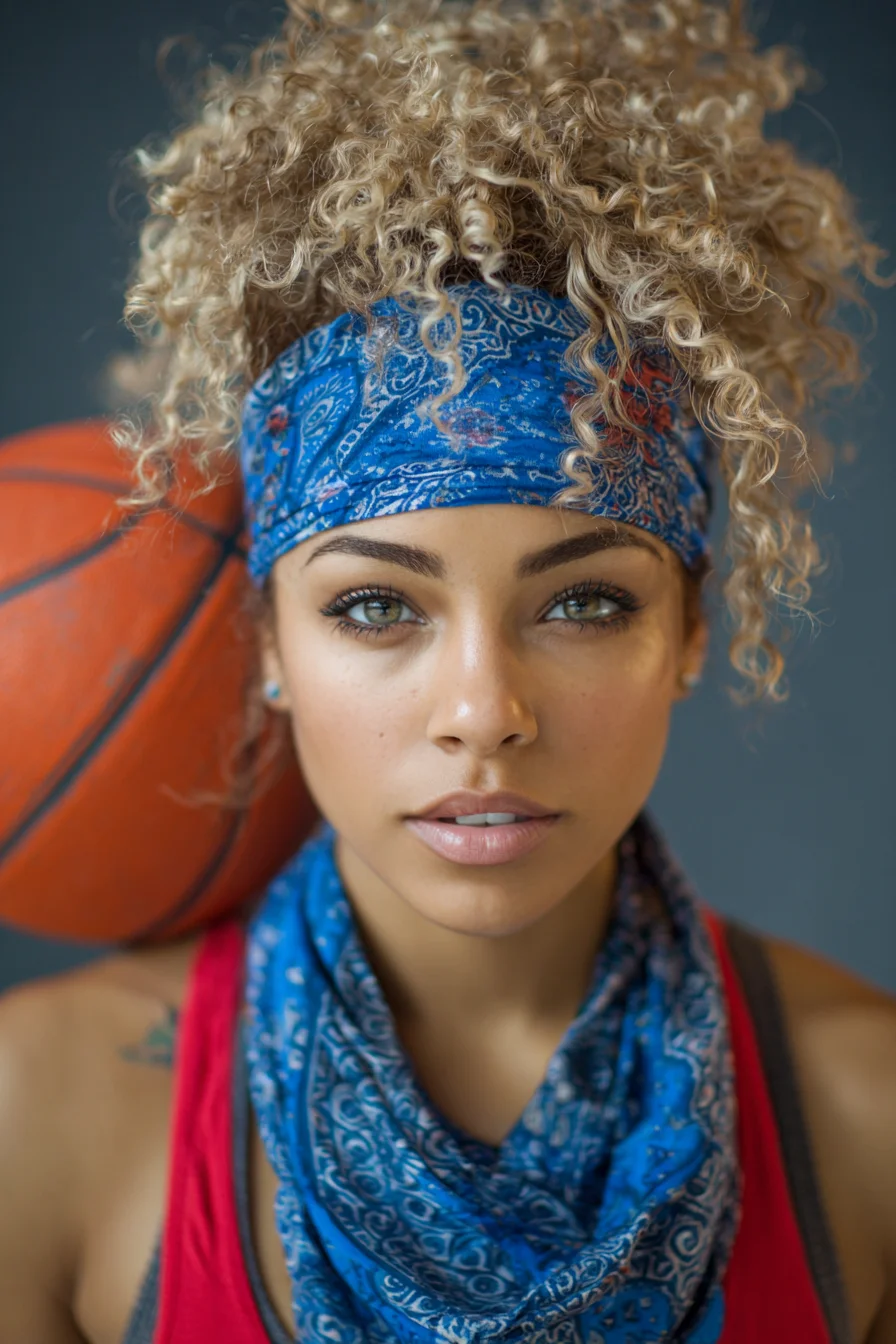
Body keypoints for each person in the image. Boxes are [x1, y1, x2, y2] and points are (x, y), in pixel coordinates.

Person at [1, 0, 894, 1340]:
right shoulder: (40, 1112)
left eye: (584, 600)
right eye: (374, 607)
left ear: (694, 632)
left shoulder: (869, 1116)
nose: (484, 712)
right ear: (268, 644)